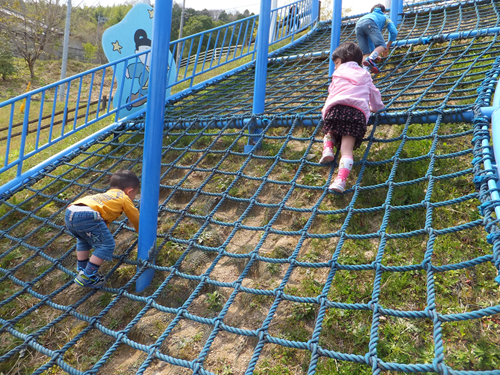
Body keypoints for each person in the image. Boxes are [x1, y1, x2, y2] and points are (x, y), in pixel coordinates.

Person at [319, 42, 385, 193]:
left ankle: (327, 149)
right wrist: (376, 108)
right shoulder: (365, 74)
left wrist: (325, 113)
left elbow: (331, 94)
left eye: (336, 63)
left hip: (336, 109)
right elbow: (374, 93)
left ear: (345, 59)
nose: (335, 67)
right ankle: (340, 181)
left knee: (329, 130)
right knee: (347, 150)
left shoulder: (337, 74)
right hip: (356, 114)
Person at [65, 170, 140, 288]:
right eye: (134, 195)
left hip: (71, 211)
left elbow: (102, 225)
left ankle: (82, 270)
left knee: (84, 239)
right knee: (107, 245)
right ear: (129, 191)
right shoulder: (123, 197)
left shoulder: (106, 196)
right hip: (88, 215)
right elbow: (135, 216)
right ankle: (88, 276)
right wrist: (141, 232)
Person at [355, 4, 398, 74]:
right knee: (382, 45)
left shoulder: (367, 16)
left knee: (365, 53)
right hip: (370, 23)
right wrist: (387, 46)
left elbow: (369, 40)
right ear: (383, 12)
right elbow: (394, 32)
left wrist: (375, 53)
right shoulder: (384, 16)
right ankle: (370, 59)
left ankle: (365, 73)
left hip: (358, 25)